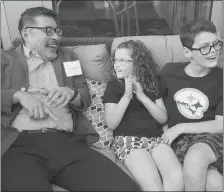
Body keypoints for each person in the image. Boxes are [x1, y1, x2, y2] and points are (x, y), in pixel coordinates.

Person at [1, 7, 140, 191]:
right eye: (48, 31)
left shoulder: (67, 56)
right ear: (26, 34)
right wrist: (18, 96)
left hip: (66, 143)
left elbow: (83, 94)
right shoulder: (5, 60)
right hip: (19, 146)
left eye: (57, 31)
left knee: (125, 188)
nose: (56, 37)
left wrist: (71, 93)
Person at [103, 40, 184, 191]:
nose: (116, 64)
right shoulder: (114, 86)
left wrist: (142, 96)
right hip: (128, 141)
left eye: (122, 60)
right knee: (154, 187)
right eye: (115, 60)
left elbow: (162, 118)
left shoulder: (152, 84)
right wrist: (126, 97)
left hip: (156, 139)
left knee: (177, 180)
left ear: (137, 63)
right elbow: (111, 123)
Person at [160, 18, 223, 191]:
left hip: (210, 136)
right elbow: (158, 102)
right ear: (187, 53)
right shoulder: (169, 72)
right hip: (180, 141)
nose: (213, 52)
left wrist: (179, 127)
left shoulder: (222, 78)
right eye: (204, 47)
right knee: (214, 183)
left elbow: (220, 124)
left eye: (216, 44)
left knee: (196, 157)